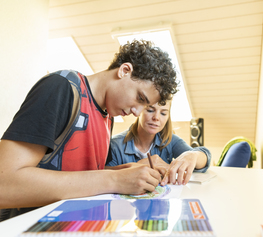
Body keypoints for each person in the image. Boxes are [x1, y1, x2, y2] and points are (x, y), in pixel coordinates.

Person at [0, 40, 178, 220]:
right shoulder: (61, 87)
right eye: (140, 98)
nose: (136, 112)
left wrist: (126, 171)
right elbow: (4, 183)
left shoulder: (108, 116)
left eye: (145, 105)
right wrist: (115, 180)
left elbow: (83, 176)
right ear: (124, 70)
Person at [106, 100, 211, 186]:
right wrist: (135, 167)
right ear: (139, 110)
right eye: (150, 110)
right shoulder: (116, 145)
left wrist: (193, 155)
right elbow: (102, 175)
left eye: (163, 113)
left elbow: (205, 159)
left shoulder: (170, 140)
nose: (156, 117)